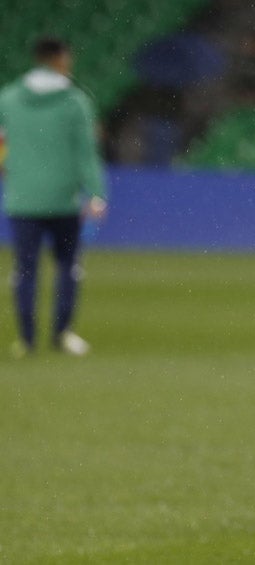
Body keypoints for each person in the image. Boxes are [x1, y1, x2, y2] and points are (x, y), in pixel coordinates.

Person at [0, 37, 108, 358]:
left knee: (25, 270)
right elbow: (86, 154)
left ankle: (27, 339)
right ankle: (62, 334)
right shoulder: (75, 102)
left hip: (23, 199)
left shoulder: (7, 99)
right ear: (61, 59)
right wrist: (97, 193)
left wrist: (11, 171)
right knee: (68, 267)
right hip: (64, 199)